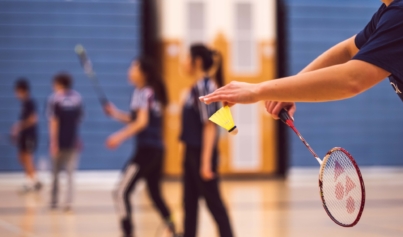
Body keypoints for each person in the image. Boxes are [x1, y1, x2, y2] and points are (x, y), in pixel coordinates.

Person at [200, 0, 403, 120]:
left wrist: (257, 90)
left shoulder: (399, 14)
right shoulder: (387, 12)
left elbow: (352, 79)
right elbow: (348, 50)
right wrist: (288, 90)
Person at [104, 57, 177, 237]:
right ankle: (175, 230)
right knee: (155, 194)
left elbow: (141, 123)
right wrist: (115, 114)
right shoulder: (151, 92)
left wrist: (118, 137)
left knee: (120, 192)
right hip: (157, 150)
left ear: (143, 73)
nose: (130, 71)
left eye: (133, 68)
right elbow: (138, 119)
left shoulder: (143, 92)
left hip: (146, 152)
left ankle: (128, 233)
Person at [179, 44, 234, 237]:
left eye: (187, 57)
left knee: (214, 204)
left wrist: (205, 163)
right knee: (189, 203)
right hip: (191, 153)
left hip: (202, 154)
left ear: (197, 61)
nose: (183, 62)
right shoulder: (195, 87)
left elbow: (210, 126)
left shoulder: (205, 86)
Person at [47, 72, 83, 211]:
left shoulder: (55, 99)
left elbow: (53, 122)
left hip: (60, 142)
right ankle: (69, 203)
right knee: (70, 174)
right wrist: (78, 138)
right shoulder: (77, 98)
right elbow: (78, 121)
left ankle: (54, 201)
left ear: (59, 84)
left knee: (55, 174)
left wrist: (53, 142)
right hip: (72, 141)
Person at [12, 78, 42, 193]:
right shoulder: (24, 104)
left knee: (28, 158)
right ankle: (35, 180)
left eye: (17, 91)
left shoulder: (30, 102)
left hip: (30, 135)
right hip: (24, 135)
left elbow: (33, 119)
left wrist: (19, 126)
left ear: (22, 90)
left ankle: (29, 183)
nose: (15, 94)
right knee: (21, 157)